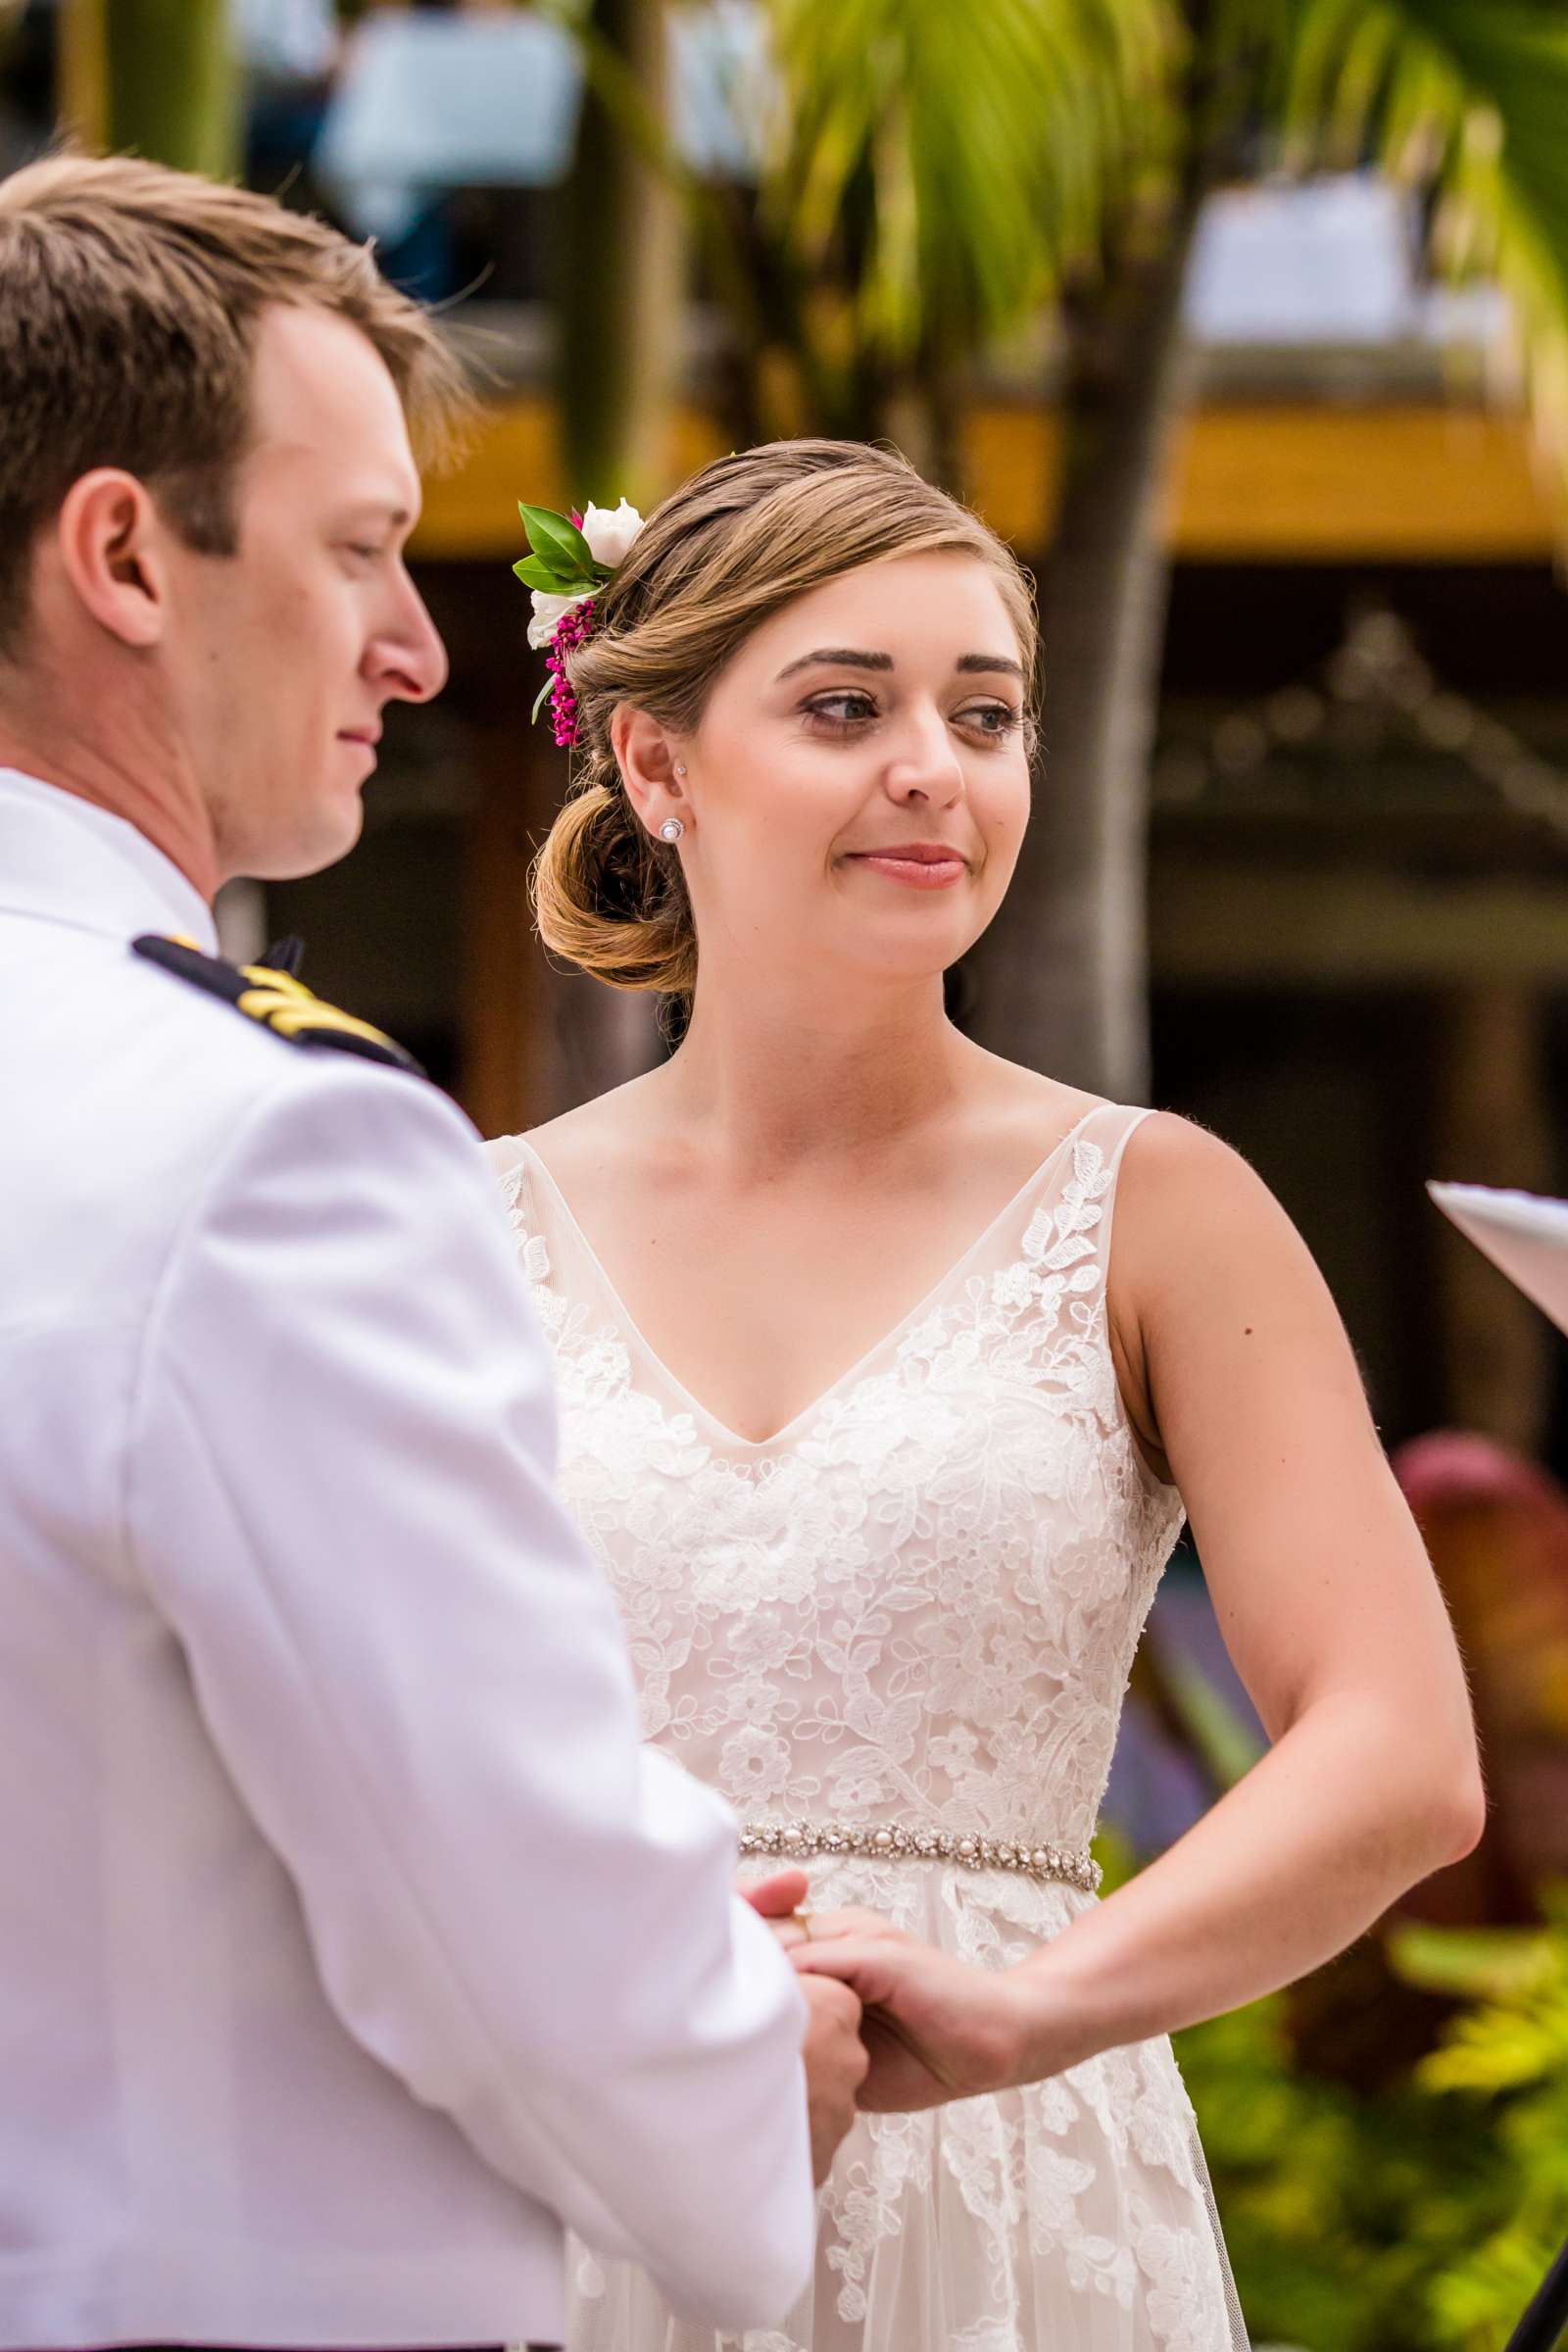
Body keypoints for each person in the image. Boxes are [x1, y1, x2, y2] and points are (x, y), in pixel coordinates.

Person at [0, 154, 870, 2352]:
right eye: (362, 550)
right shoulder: (256, 1146)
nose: (414, 643)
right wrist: (738, 2065)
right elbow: (487, 1894)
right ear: (123, 553)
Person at [490, 438, 1487, 2351]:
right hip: (580, 2149)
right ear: (653, 763)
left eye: (985, 711)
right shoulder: (453, 1229)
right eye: (843, 707)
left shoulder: (1161, 1208)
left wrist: (1037, 2010)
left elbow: (1397, 1753)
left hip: (1018, 2183)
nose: (932, 770)